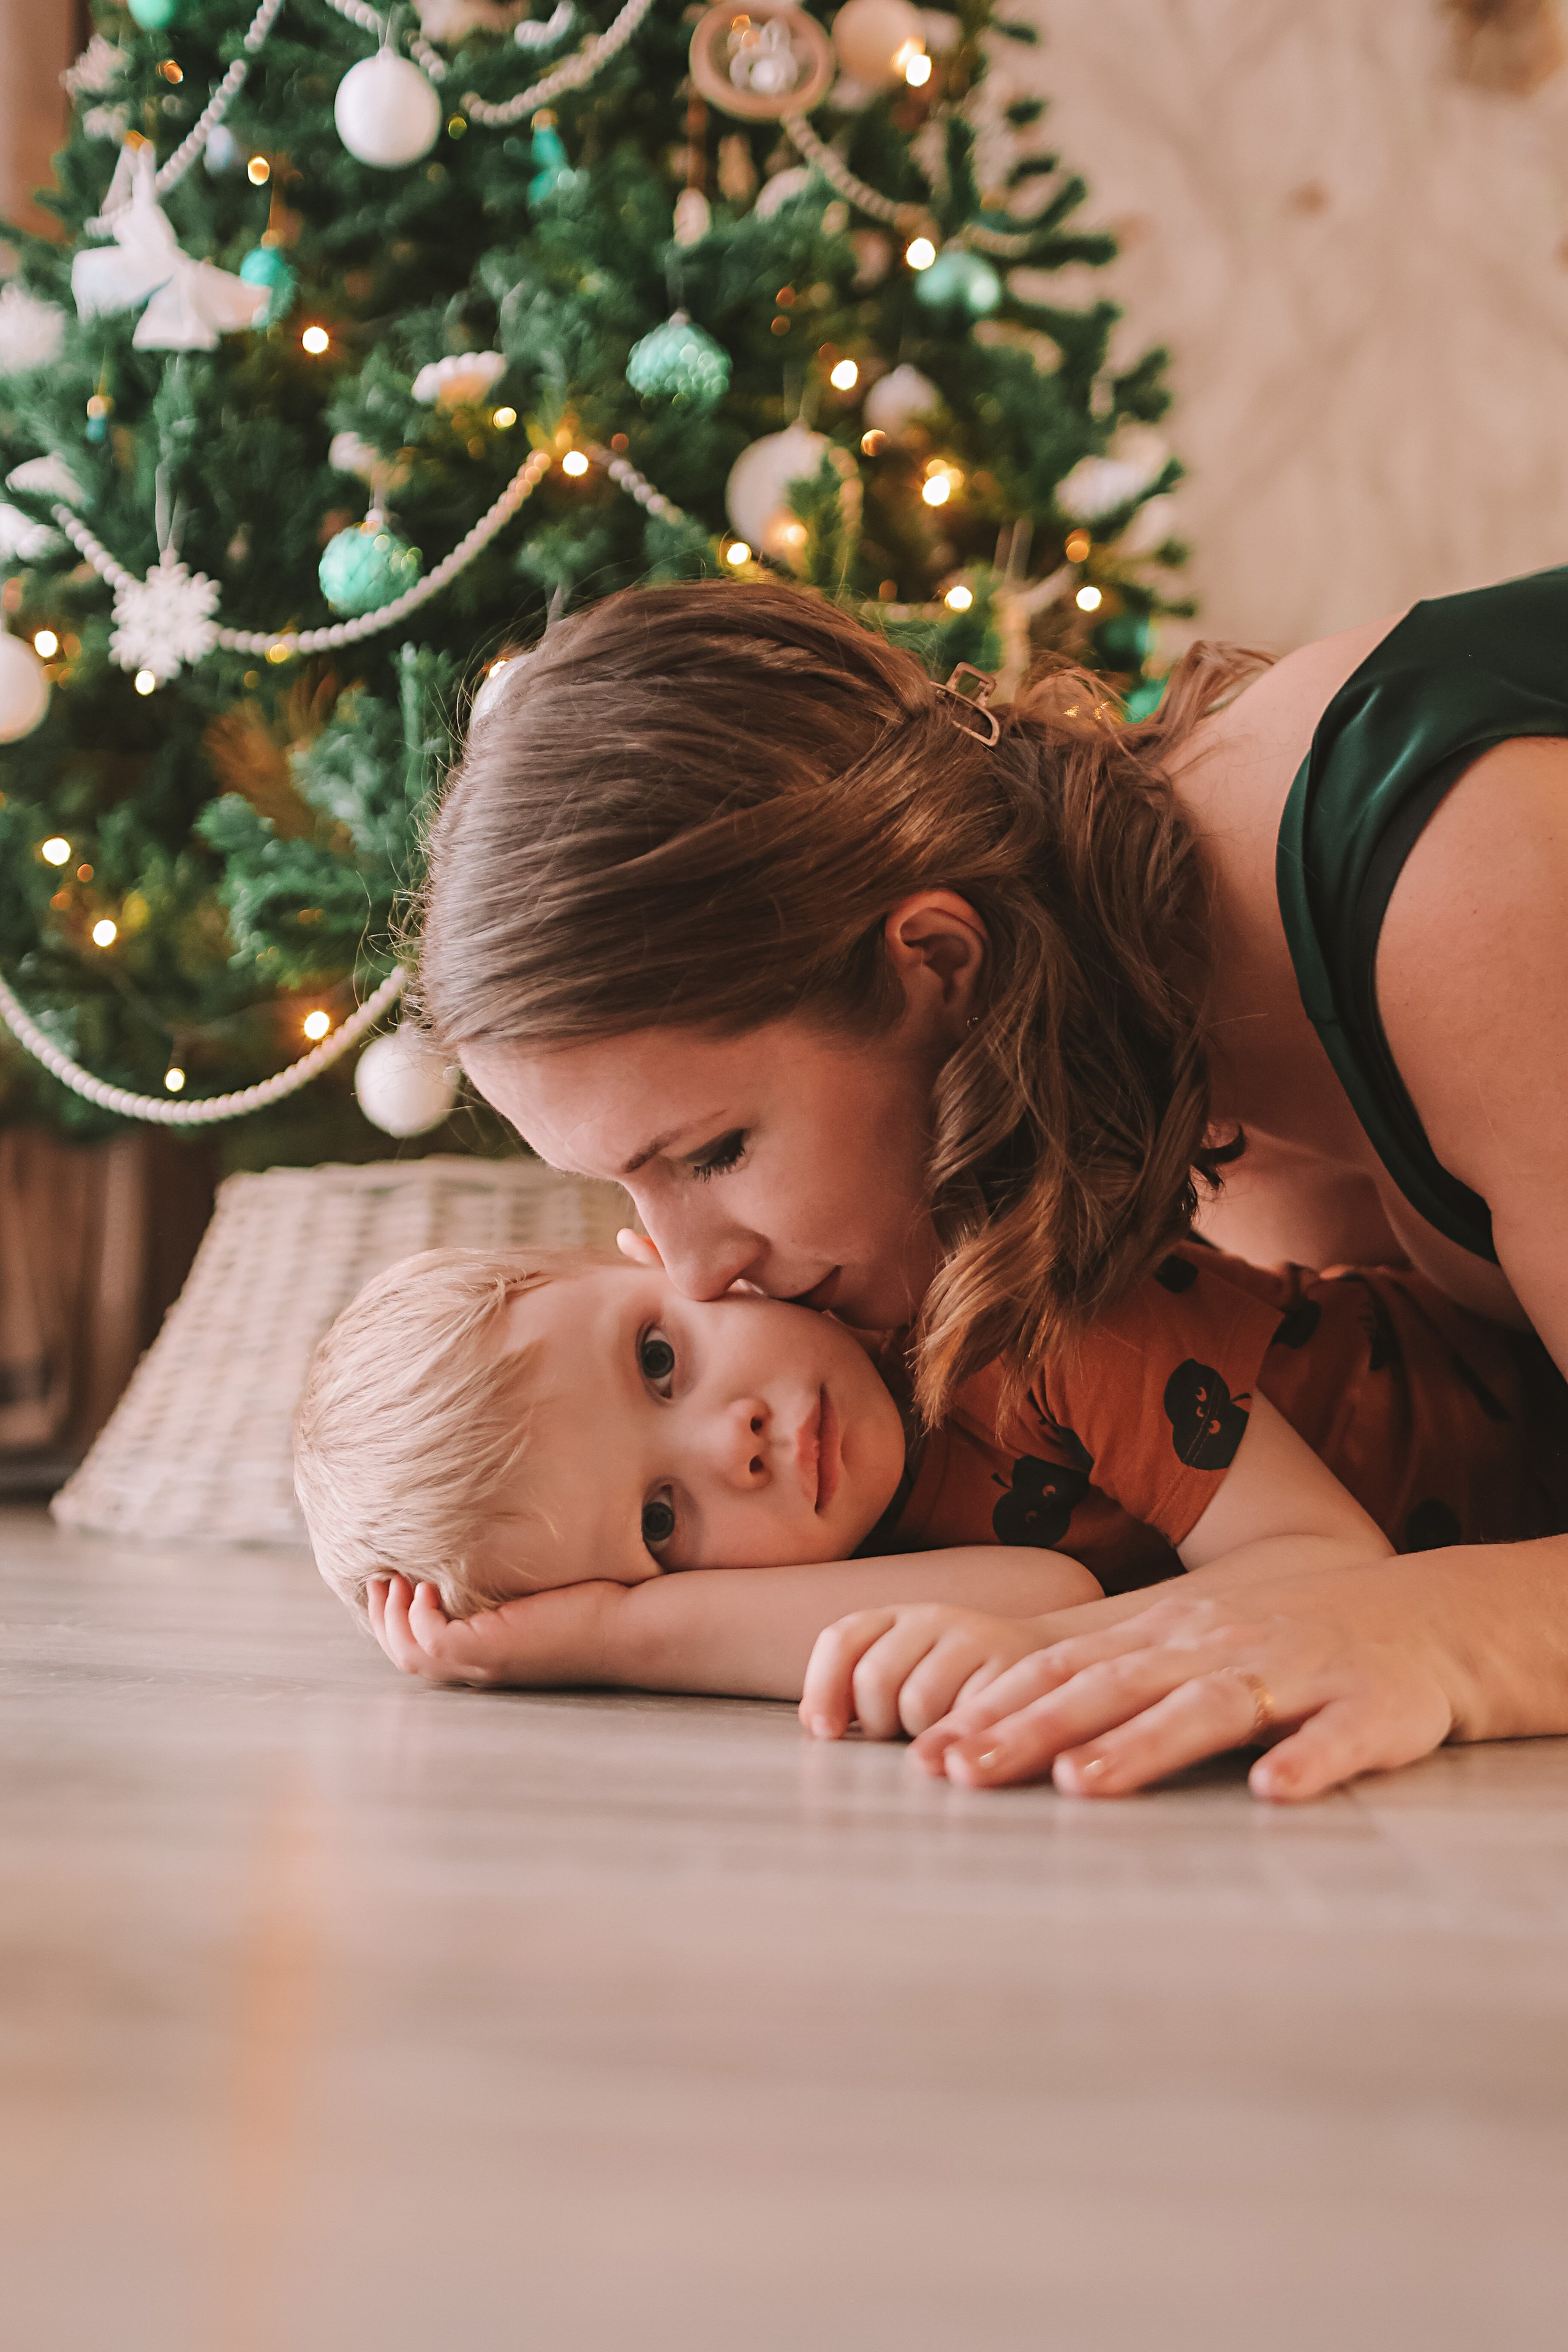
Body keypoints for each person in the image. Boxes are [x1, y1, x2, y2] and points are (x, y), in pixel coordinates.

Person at [399, 571, 1568, 1801]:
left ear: (935, 963)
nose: (692, 1273)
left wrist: (1413, 1624)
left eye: (712, 1154)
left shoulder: (1458, 889)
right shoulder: (1137, 1075)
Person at [304, 1228, 1564, 1789]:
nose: (727, 1441)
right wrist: (609, 1635)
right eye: (658, 1520)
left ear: (659, 1259)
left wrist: (616, 1628)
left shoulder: (1026, 1318)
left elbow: (1328, 1566)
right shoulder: (839, 1512)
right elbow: (1040, 1599)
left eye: (655, 1359)